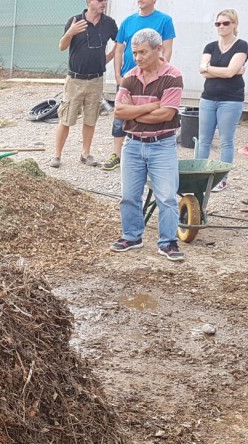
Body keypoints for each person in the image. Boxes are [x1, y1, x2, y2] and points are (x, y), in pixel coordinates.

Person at [110, 29, 184, 262]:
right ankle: (132, 236)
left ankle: (168, 242)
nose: (138, 57)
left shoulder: (172, 76)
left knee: (167, 197)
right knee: (129, 196)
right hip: (132, 144)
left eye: (143, 52)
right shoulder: (130, 76)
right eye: (135, 53)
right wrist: (150, 107)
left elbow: (166, 115)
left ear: (158, 49)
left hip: (162, 144)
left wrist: (135, 112)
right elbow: (119, 111)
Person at [103, 0, 175, 172]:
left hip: (152, 79)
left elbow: (167, 49)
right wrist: (118, 76)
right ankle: (118, 154)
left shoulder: (164, 20)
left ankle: (150, 154)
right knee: (120, 116)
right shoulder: (128, 21)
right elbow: (119, 49)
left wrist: (161, 73)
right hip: (129, 78)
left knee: (146, 112)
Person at [49, 0, 118, 168]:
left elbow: (120, 42)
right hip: (75, 80)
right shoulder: (74, 21)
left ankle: (85, 154)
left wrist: (107, 59)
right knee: (66, 118)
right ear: (89, 2)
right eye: (100, 0)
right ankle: (57, 155)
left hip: (96, 80)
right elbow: (62, 46)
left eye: (105, 1)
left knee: (91, 118)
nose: (104, 3)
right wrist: (70, 32)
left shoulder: (109, 24)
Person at [195, 9, 247, 192]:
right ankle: (199, 175)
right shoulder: (210, 46)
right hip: (208, 98)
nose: (221, 27)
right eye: (218, 23)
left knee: (226, 141)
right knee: (203, 140)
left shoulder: (242, 46)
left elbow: (230, 72)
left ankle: (222, 178)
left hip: (230, 100)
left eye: (226, 23)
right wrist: (224, 71)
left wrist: (210, 68)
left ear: (234, 24)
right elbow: (202, 70)